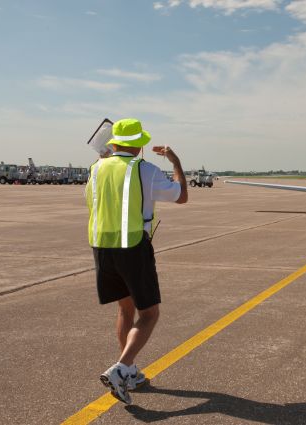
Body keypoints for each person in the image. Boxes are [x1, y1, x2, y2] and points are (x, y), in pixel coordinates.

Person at [85, 118, 188, 404]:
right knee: (150, 314)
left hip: (102, 247)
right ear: (140, 145)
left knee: (125, 310)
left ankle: (129, 371)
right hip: (132, 247)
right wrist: (175, 161)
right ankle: (120, 368)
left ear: (113, 142)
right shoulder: (145, 169)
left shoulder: (95, 169)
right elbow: (182, 196)